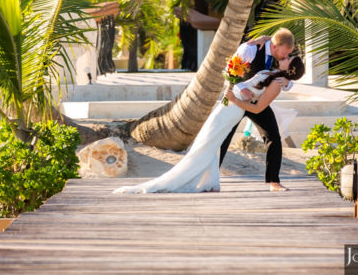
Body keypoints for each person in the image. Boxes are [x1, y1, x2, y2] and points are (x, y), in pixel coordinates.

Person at [114, 54, 305, 195]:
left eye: (289, 58)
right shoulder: (274, 74)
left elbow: (258, 108)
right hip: (229, 104)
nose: (285, 56)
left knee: (208, 141)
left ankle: (187, 179)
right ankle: (212, 182)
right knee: (209, 141)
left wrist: (235, 99)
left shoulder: (278, 83)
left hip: (234, 107)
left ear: (290, 68)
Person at [219, 28, 295, 189]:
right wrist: (241, 89)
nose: (285, 57)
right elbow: (229, 70)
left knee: (273, 137)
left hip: (257, 103)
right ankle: (211, 176)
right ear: (274, 46)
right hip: (236, 98)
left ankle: (274, 182)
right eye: (283, 54)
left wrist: (288, 83)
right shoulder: (250, 49)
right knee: (223, 136)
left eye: (287, 55)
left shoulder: (279, 56)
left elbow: (291, 76)